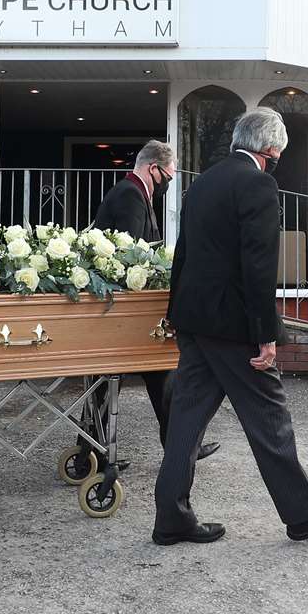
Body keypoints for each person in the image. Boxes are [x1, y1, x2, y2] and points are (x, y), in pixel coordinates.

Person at [153, 108, 308, 546]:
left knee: (186, 421)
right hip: (234, 327)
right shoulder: (259, 184)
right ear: (270, 148)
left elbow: (182, 253)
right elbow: (259, 266)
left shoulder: (202, 183)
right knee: (270, 416)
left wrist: (176, 315)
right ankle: (305, 514)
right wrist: (266, 334)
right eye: (279, 149)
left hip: (195, 319)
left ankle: (171, 518)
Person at [82, 140, 218, 463]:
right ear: (152, 168)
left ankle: (94, 451)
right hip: (125, 312)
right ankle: (179, 446)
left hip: (119, 310)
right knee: (156, 375)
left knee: (123, 380)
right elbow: (132, 255)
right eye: (168, 177)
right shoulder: (131, 196)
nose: (168, 184)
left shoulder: (133, 193)